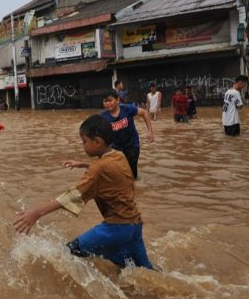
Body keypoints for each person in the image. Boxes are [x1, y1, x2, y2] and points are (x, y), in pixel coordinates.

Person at [14, 114, 153, 269]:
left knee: (67, 254)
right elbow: (110, 171)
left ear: (97, 142)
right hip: (134, 226)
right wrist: (83, 164)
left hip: (116, 228)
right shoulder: (119, 155)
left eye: (84, 141)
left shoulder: (98, 168)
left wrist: (36, 213)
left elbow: (72, 195)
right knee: (145, 271)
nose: (83, 145)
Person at [101, 91, 154, 179]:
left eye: (110, 100)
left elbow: (144, 113)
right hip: (115, 147)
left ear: (117, 100)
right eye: (105, 101)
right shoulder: (103, 116)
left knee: (132, 174)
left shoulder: (127, 109)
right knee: (117, 173)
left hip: (132, 145)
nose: (107, 103)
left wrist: (150, 132)